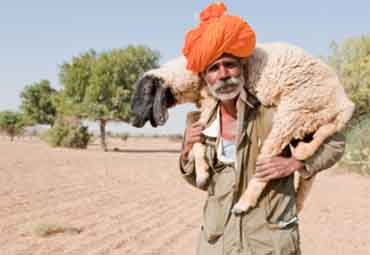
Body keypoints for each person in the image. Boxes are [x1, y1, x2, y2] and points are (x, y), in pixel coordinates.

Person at [179, 3, 345, 255]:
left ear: (243, 69)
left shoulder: (274, 111)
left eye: (230, 65)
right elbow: (202, 182)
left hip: (269, 244)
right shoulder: (200, 122)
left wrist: (296, 164)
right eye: (214, 68)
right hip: (217, 244)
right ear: (205, 78)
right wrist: (187, 150)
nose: (223, 74)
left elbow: (335, 142)